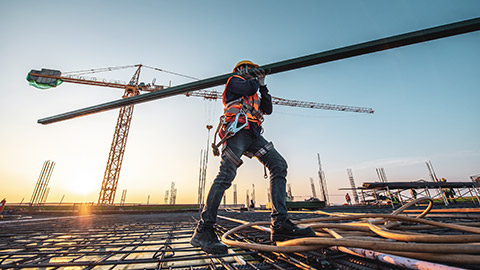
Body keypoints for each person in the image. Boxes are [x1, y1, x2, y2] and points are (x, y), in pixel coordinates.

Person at [190, 60, 315, 254]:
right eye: (248, 68)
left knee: (278, 164)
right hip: (237, 132)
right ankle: (204, 230)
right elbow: (248, 86)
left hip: (253, 135)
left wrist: (264, 85)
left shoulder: (255, 89)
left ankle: (280, 224)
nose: (251, 73)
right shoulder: (234, 81)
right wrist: (255, 79)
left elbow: (268, 108)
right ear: (240, 70)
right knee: (225, 177)